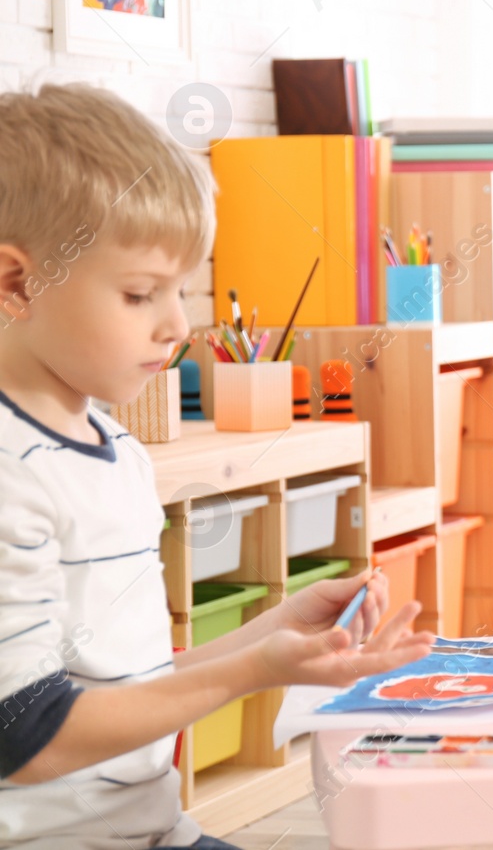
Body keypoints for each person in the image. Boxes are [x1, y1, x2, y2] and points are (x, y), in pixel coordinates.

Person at [0, 84, 431, 849]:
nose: (177, 324)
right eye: (140, 293)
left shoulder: (113, 446)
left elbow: (121, 679)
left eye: (181, 289)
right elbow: (22, 729)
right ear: (15, 282)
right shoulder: (12, 474)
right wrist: (252, 670)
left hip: (149, 828)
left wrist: (276, 628)